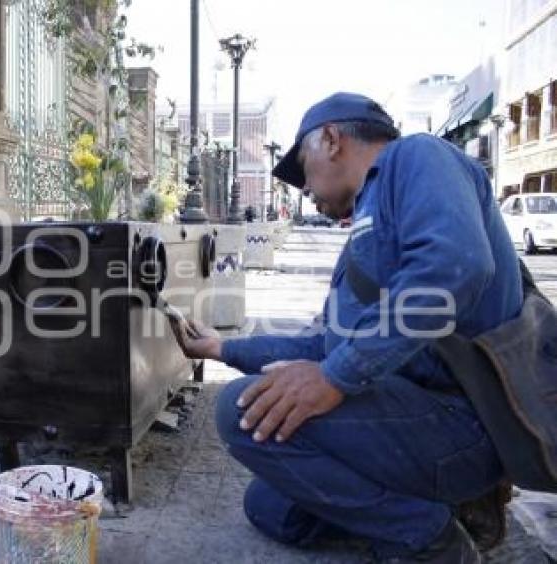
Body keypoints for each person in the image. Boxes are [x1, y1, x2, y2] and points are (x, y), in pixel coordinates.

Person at [172, 93, 522, 563]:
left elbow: (455, 265)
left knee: (239, 411)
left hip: (462, 425)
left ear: (332, 139)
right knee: (270, 506)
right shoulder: (363, 229)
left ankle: (432, 540)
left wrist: (337, 378)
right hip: (411, 418)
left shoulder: (416, 157)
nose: (304, 189)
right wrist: (221, 349)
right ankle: (438, 504)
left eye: (303, 167)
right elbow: (326, 342)